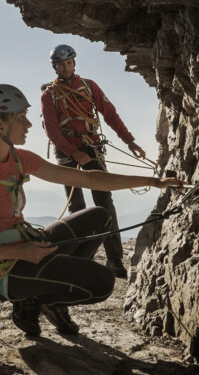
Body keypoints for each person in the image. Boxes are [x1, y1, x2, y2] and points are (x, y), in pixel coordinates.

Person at [0, 84, 182, 337]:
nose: (29, 125)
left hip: (27, 248)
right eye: (21, 118)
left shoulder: (19, 158)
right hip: (5, 271)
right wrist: (19, 252)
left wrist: (152, 182)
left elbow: (91, 179)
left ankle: (48, 298)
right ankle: (34, 299)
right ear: (0, 123)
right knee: (102, 283)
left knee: (101, 217)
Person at [40, 44, 145, 278]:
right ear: (55, 66)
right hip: (68, 155)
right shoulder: (49, 95)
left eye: (68, 63)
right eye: (61, 64)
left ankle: (114, 260)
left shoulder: (89, 87)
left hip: (92, 149)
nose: (65, 67)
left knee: (104, 204)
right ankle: (81, 259)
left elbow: (110, 114)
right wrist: (72, 151)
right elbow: (51, 130)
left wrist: (129, 141)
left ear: (74, 63)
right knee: (78, 208)